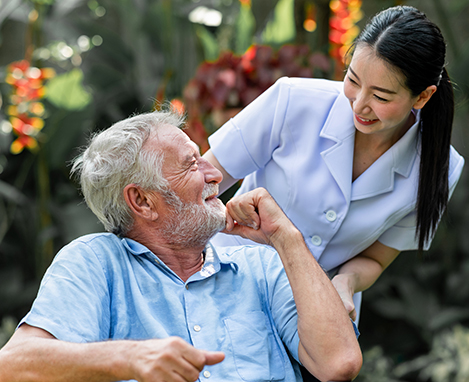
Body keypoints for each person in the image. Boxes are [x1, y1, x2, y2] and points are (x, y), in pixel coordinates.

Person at [0, 110, 362, 382]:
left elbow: (339, 364)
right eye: (192, 165)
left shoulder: (261, 265)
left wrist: (287, 238)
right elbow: (12, 365)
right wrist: (130, 358)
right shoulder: (95, 263)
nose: (215, 175)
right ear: (142, 201)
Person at [203, 5, 465, 326]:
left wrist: (346, 283)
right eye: (352, 80)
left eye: (381, 97)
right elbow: (201, 182)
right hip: (228, 277)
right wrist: (226, 215)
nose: (359, 104)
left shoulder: (440, 167)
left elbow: (374, 258)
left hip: (318, 312)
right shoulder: (293, 100)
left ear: (422, 96)